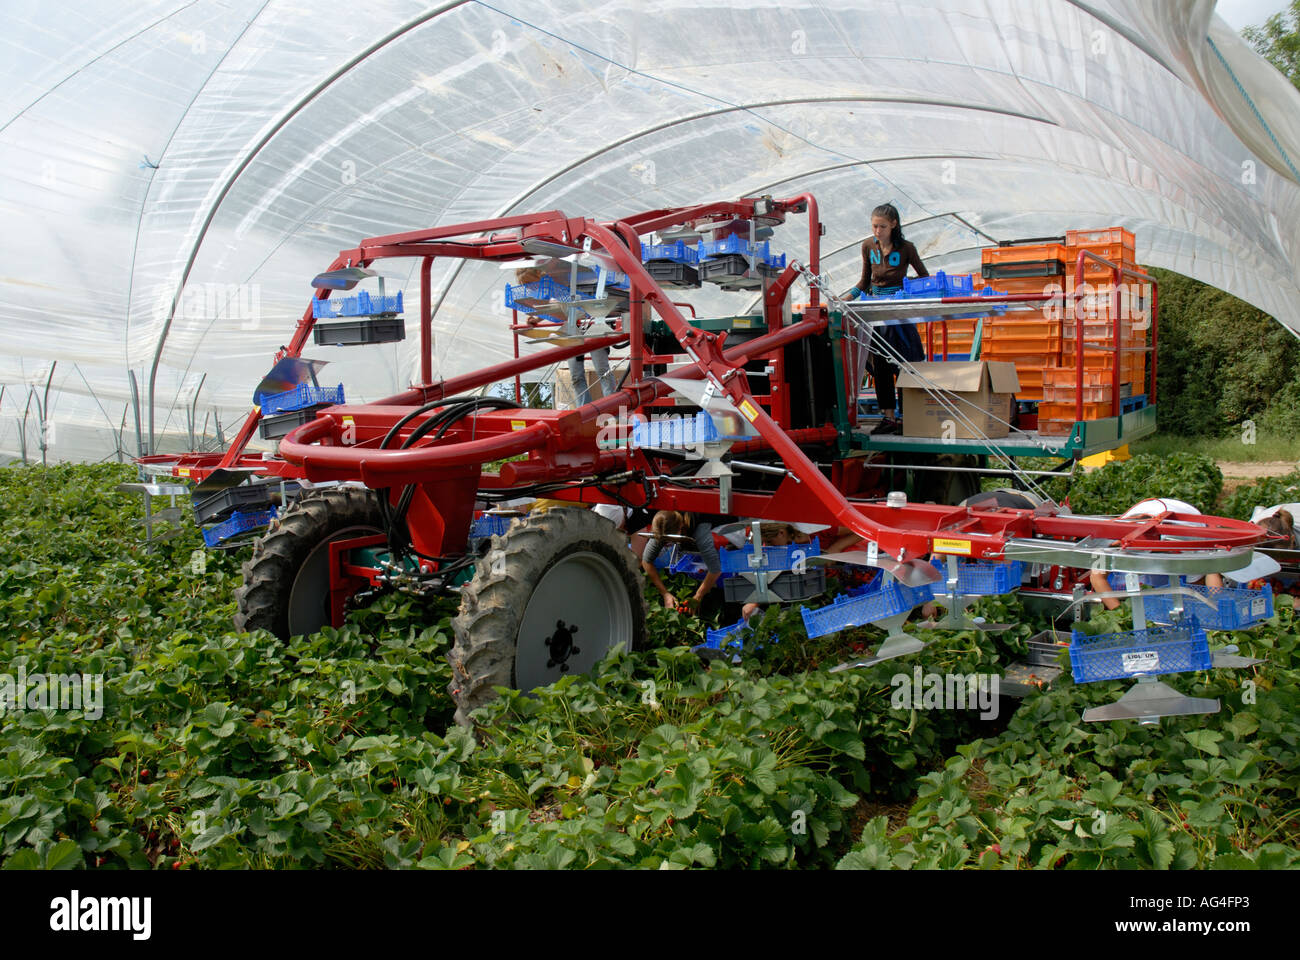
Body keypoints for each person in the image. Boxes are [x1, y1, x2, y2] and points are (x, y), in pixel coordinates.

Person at [845, 203, 930, 435]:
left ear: (893, 225)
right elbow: (864, 282)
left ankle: (907, 416)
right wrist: (844, 298)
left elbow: (924, 277)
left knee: (905, 363)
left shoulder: (907, 249)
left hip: (899, 314)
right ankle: (888, 417)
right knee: (881, 365)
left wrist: (906, 289)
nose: (877, 231)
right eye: (874, 226)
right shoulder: (867, 247)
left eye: (882, 226)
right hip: (877, 313)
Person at [1088, 498, 1223, 610]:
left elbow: (1201, 581)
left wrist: (1209, 609)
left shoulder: (1190, 540)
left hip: (1185, 514)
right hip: (1149, 509)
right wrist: (1121, 615)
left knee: (1204, 572)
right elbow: (1097, 577)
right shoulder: (1114, 537)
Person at [515, 263, 617, 406]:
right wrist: (536, 319)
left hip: (592, 321)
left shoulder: (557, 279)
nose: (530, 289)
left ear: (537, 277)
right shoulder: (546, 289)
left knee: (602, 370)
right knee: (576, 375)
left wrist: (545, 312)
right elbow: (556, 308)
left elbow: (564, 304)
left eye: (529, 284)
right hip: (574, 325)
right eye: (526, 286)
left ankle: (613, 407)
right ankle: (585, 411)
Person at [640, 509, 727, 611]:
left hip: (724, 519)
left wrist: (698, 596)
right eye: (664, 541)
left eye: (670, 542)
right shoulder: (663, 524)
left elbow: (715, 570)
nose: (667, 544)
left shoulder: (699, 531)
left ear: (680, 528)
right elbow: (646, 561)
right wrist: (665, 593)